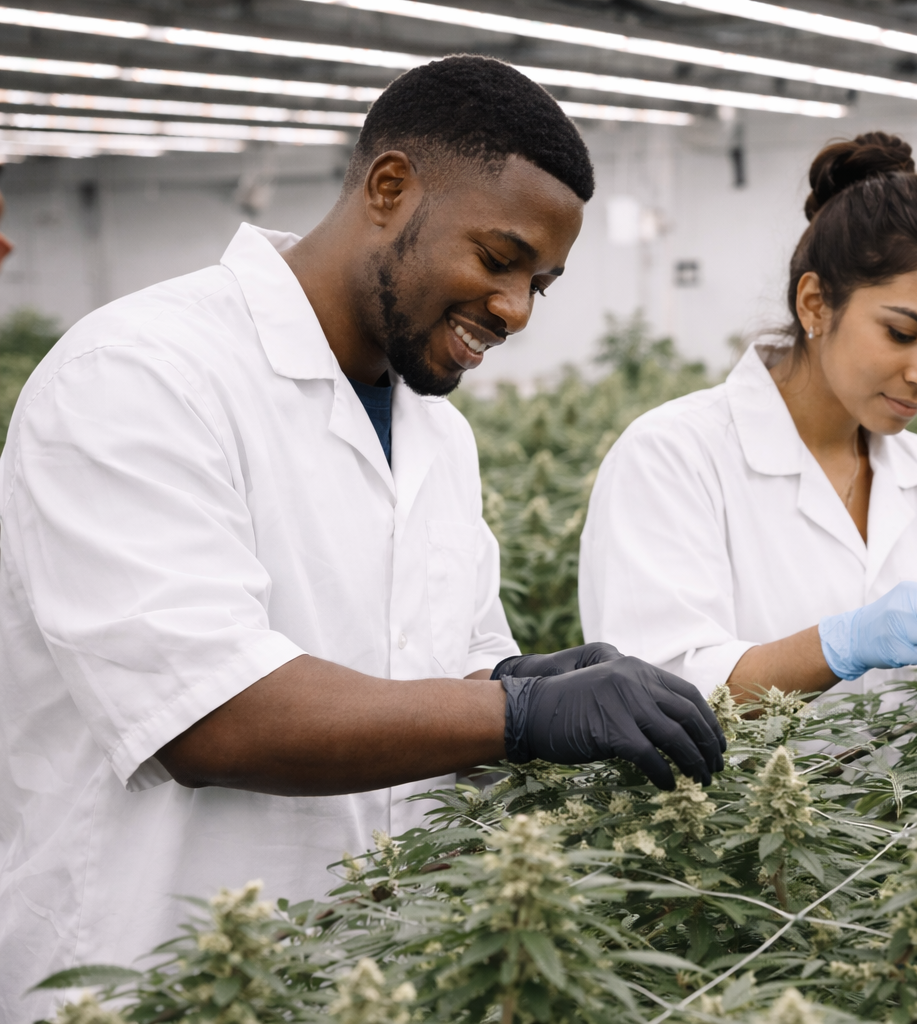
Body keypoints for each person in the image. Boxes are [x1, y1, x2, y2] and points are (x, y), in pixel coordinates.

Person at [0, 56, 722, 1019]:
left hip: (366, 977)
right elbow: (208, 716)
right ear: (390, 187)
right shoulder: (140, 374)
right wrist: (518, 720)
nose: (513, 309)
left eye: (540, 284)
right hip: (149, 975)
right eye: (499, 259)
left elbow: (432, 681)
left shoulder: (437, 433)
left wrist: (515, 683)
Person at [580, 133, 917, 706]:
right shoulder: (672, 455)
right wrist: (838, 646)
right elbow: (652, 692)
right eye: (902, 334)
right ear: (815, 304)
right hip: (737, 799)